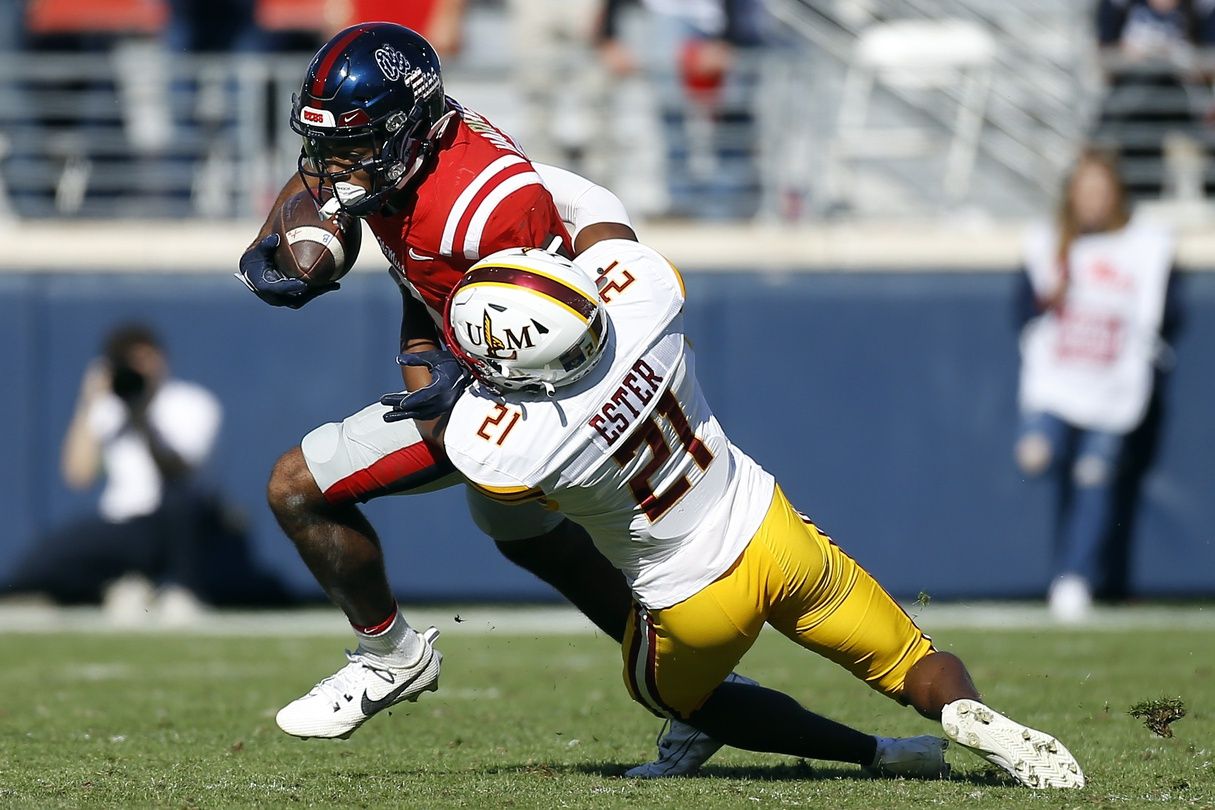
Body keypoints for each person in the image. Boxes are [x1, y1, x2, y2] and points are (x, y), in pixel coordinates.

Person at [234, 22, 743, 775]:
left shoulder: (487, 206)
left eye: (352, 147)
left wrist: (438, 369)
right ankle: (697, 699)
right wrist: (270, 236)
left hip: (536, 380)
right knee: (524, 534)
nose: (332, 169)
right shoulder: (400, 148)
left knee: (295, 488)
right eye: (326, 145)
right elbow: (334, 182)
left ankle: (391, 656)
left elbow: (527, 333)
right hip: (481, 348)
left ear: (408, 132)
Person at [429, 242, 1086, 789]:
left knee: (680, 699)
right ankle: (966, 711)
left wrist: (460, 384)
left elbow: (511, 493)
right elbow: (612, 254)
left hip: (691, 598)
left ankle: (882, 753)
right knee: (910, 659)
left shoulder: (517, 445)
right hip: (772, 528)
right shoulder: (644, 308)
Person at [1014, 149, 1181, 622]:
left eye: (1101, 191)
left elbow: (1160, 316)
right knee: (1037, 452)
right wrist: (1049, 298)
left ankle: (1075, 578)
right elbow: (1023, 315)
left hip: (1113, 387)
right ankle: (1041, 437)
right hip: (1057, 383)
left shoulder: (1143, 245)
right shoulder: (1050, 245)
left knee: (1095, 475)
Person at [0, 323, 246, 623]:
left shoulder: (191, 403)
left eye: (147, 358)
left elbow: (179, 472)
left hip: (175, 523)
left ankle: (181, 590)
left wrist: (143, 420)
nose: (142, 368)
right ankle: (120, 586)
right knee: (43, 560)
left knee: (179, 502)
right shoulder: (108, 409)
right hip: (122, 526)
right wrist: (88, 402)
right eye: (132, 361)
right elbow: (78, 474)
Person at [1094, 0, 1215, 199]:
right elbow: (1104, 58)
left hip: (1182, 98)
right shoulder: (1120, 5)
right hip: (1137, 102)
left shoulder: (1201, 7)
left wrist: (1174, 59)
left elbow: (1209, 64)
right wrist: (1134, 57)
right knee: (1143, 92)